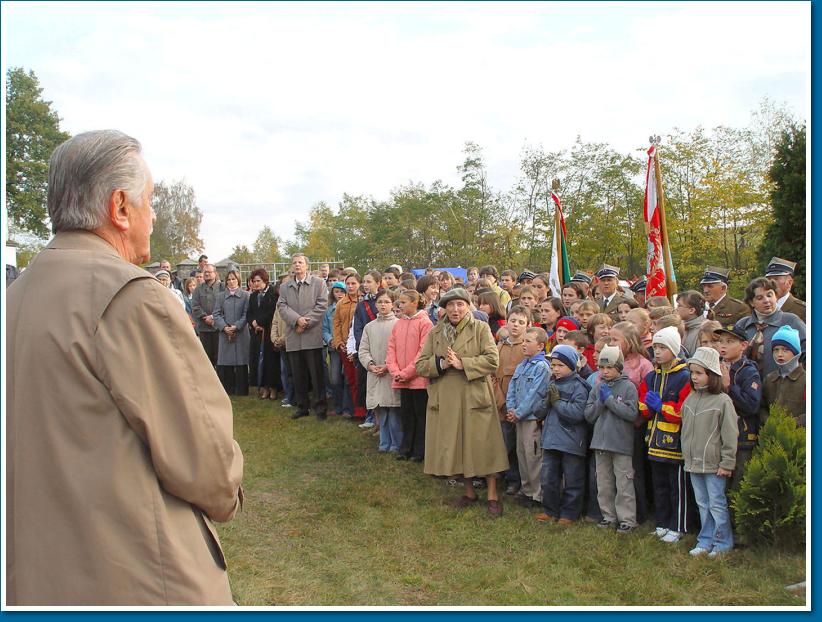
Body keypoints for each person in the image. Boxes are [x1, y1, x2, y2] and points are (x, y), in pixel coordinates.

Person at [6, 130, 243, 605]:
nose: (152, 216)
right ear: (119, 208)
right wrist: (229, 489)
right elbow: (205, 460)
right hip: (138, 577)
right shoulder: (131, 296)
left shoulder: (13, 298)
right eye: (149, 201)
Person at [416, 287, 508, 517]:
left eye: (460, 304)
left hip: (475, 395)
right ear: (444, 307)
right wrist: (442, 365)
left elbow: (492, 360)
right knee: (458, 445)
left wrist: (463, 364)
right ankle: (469, 492)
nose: (455, 309)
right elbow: (420, 365)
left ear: (468, 306)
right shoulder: (437, 332)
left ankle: (492, 495)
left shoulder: (480, 328)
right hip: (446, 398)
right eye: (450, 305)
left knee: (484, 445)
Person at [680, 347, 738, 557]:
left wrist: (727, 462)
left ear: (712, 375)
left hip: (714, 464)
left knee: (716, 504)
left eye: (699, 373)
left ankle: (723, 542)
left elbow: (730, 434)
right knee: (702, 504)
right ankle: (705, 540)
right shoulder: (690, 399)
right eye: (692, 373)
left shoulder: (723, 401)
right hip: (693, 462)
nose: (694, 377)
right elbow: (685, 431)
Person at [638, 326, 692, 544]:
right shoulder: (652, 376)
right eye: (656, 347)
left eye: (662, 348)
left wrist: (662, 407)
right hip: (654, 440)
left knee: (676, 487)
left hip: (675, 443)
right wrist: (648, 408)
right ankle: (662, 522)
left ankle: (678, 525)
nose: (657, 352)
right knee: (659, 484)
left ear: (674, 349)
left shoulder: (684, 376)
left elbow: (682, 411)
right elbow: (643, 403)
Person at [584, 344, 639, 534]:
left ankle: (627, 519)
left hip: (621, 444)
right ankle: (608, 516)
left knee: (624, 483)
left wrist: (610, 401)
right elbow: (589, 414)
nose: (605, 372)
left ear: (619, 367)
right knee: (604, 483)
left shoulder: (629, 387)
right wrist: (601, 401)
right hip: (600, 442)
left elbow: (631, 413)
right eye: (601, 368)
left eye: (609, 368)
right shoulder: (598, 387)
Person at [535, 344, 591, 524]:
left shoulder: (579, 387)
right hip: (551, 440)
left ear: (571, 366)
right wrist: (546, 402)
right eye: (553, 365)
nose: (555, 369)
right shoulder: (551, 383)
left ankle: (569, 514)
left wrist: (558, 403)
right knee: (548, 478)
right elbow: (538, 412)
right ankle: (550, 510)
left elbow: (578, 414)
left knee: (573, 480)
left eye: (560, 365)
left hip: (572, 441)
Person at [277, 253, 329, 421]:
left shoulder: (319, 283)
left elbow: (321, 306)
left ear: (307, 265)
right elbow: (282, 306)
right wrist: (296, 320)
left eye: (300, 262)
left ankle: (320, 407)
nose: (297, 265)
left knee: (316, 374)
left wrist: (305, 323)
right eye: (294, 263)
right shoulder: (285, 287)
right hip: (294, 336)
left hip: (311, 335)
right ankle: (302, 406)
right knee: (297, 374)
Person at [505, 326, 551, 508]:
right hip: (518, 418)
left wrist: (519, 412)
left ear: (540, 346)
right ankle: (526, 489)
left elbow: (535, 394)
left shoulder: (542, 367)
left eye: (528, 341)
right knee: (522, 454)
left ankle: (537, 494)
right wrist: (511, 408)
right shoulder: (522, 365)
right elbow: (512, 387)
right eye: (523, 341)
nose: (523, 344)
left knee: (533, 455)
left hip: (531, 418)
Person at [713, 325, 761, 494]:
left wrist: (729, 386)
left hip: (741, 437)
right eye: (720, 341)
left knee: (737, 486)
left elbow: (752, 405)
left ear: (743, 345)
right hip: (718, 436)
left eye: (730, 341)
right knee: (718, 488)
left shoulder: (748, 371)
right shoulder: (715, 367)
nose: (723, 346)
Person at [386, 289, 433, 462]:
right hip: (402, 378)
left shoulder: (425, 323)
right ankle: (405, 448)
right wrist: (395, 371)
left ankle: (419, 451)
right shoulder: (398, 324)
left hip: (418, 379)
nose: (400, 305)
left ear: (414, 303)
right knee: (406, 414)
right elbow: (391, 348)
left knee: (420, 415)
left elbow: (423, 352)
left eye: (404, 302)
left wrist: (406, 373)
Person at [734, 277, 805, 378]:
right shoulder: (742, 325)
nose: (766, 300)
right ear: (751, 302)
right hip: (747, 388)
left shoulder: (791, 321)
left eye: (769, 295)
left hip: (782, 386)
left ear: (776, 296)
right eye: (760, 298)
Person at [359, 290, 402, 453]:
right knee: (381, 410)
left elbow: (401, 350)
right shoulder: (369, 327)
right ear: (375, 304)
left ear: (392, 304)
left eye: (387, 302)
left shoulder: (398, 324)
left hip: (391, 373)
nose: (383, 305)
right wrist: (370, 365)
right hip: (375, 373)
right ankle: (384, 443)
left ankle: (396, 443)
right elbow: (363, 349)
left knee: (393, 410)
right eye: (380, 302)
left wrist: (387, 366)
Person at [493, 306, 530, 497]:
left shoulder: (527, 348)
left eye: (521, 322)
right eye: (513, 321)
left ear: (528, 325)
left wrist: (516, 405)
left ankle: (518, 480)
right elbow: (493, 375)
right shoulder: (500, 346)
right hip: (501, 403)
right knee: (504, 442)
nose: (516, 325)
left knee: (518, 446)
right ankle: (506, 477)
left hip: (519, 406)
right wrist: (500, 400)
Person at [213, 269, 251, 396]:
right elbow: (216, 313)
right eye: (228, 279)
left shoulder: (246, 295)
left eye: (233, 279)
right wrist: (224, 327)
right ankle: (228, 389)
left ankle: (242, 390)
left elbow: (247, 314)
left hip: (240, 333)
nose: (231, 281)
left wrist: (237, 326)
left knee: (241, 361)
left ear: (238, 280)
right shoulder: (220, 296)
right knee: (226, 362)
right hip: (225, 333)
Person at [762, 325, 806, 428]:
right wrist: (768, 421)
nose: (779, 354)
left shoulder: (806, 380)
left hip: (799, 438)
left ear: (796, 352)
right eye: (776, 350)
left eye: (785, 350)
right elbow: (761, 407)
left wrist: (790, 424)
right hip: (771, 436)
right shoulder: (769, 379)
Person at [247, 268, 280, 400]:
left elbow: (272, 312)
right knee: (258, 360)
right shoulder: (253, 296)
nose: (256, 284)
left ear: (265, 280)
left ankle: (273, 388)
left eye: (258, 281)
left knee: (270, 361)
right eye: (254, 281)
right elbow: (249, 313)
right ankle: (263, 387)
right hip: (256, 333)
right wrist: (253, 323)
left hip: (268, 332)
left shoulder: (273, 293)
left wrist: (259, 322)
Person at [333, 272, 363, 418]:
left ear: (359, 284)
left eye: (354, 284)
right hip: (345, 347)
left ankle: (363, 410)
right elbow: (336, 324)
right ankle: (355, 410)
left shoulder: (363, 301)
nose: (350, 287)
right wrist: (339, 342)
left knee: (361, 379)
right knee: (350, 379)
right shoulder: (341, 303)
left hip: (361, 346)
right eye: (348, 284)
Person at [191, 263, 224, 367]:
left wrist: (213, 317)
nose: (207, 274)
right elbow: (195, 306)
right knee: (206, 358)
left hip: (219, 328)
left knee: (219, 357)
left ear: (215, 273)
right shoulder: (198, 289)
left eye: (209, 272)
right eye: (205, 272)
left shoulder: (222, 287)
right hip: (204, 328)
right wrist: (205, 317)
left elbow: (225, 305)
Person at [323, 281, 347, 415]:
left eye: (342, 291)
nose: (339, 294)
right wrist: (330, 339)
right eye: (336, 291)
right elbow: (325, 329)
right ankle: (337, 406)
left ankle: (348, 407)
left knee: (347, 377)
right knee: (335, 378)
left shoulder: (351, 307)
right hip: (334, 349)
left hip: (347, 348)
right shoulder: (328, 311)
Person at [764, 257, 805, 322]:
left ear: (789, 282)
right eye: (768, 279)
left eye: (776, 279)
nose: (771, 283)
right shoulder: (759, 307)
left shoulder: (803, 310)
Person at [676, 290, 709, 357]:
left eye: (679, 306)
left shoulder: (705, 330)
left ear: (691, 310)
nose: (676, 309)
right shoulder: (681, 327)